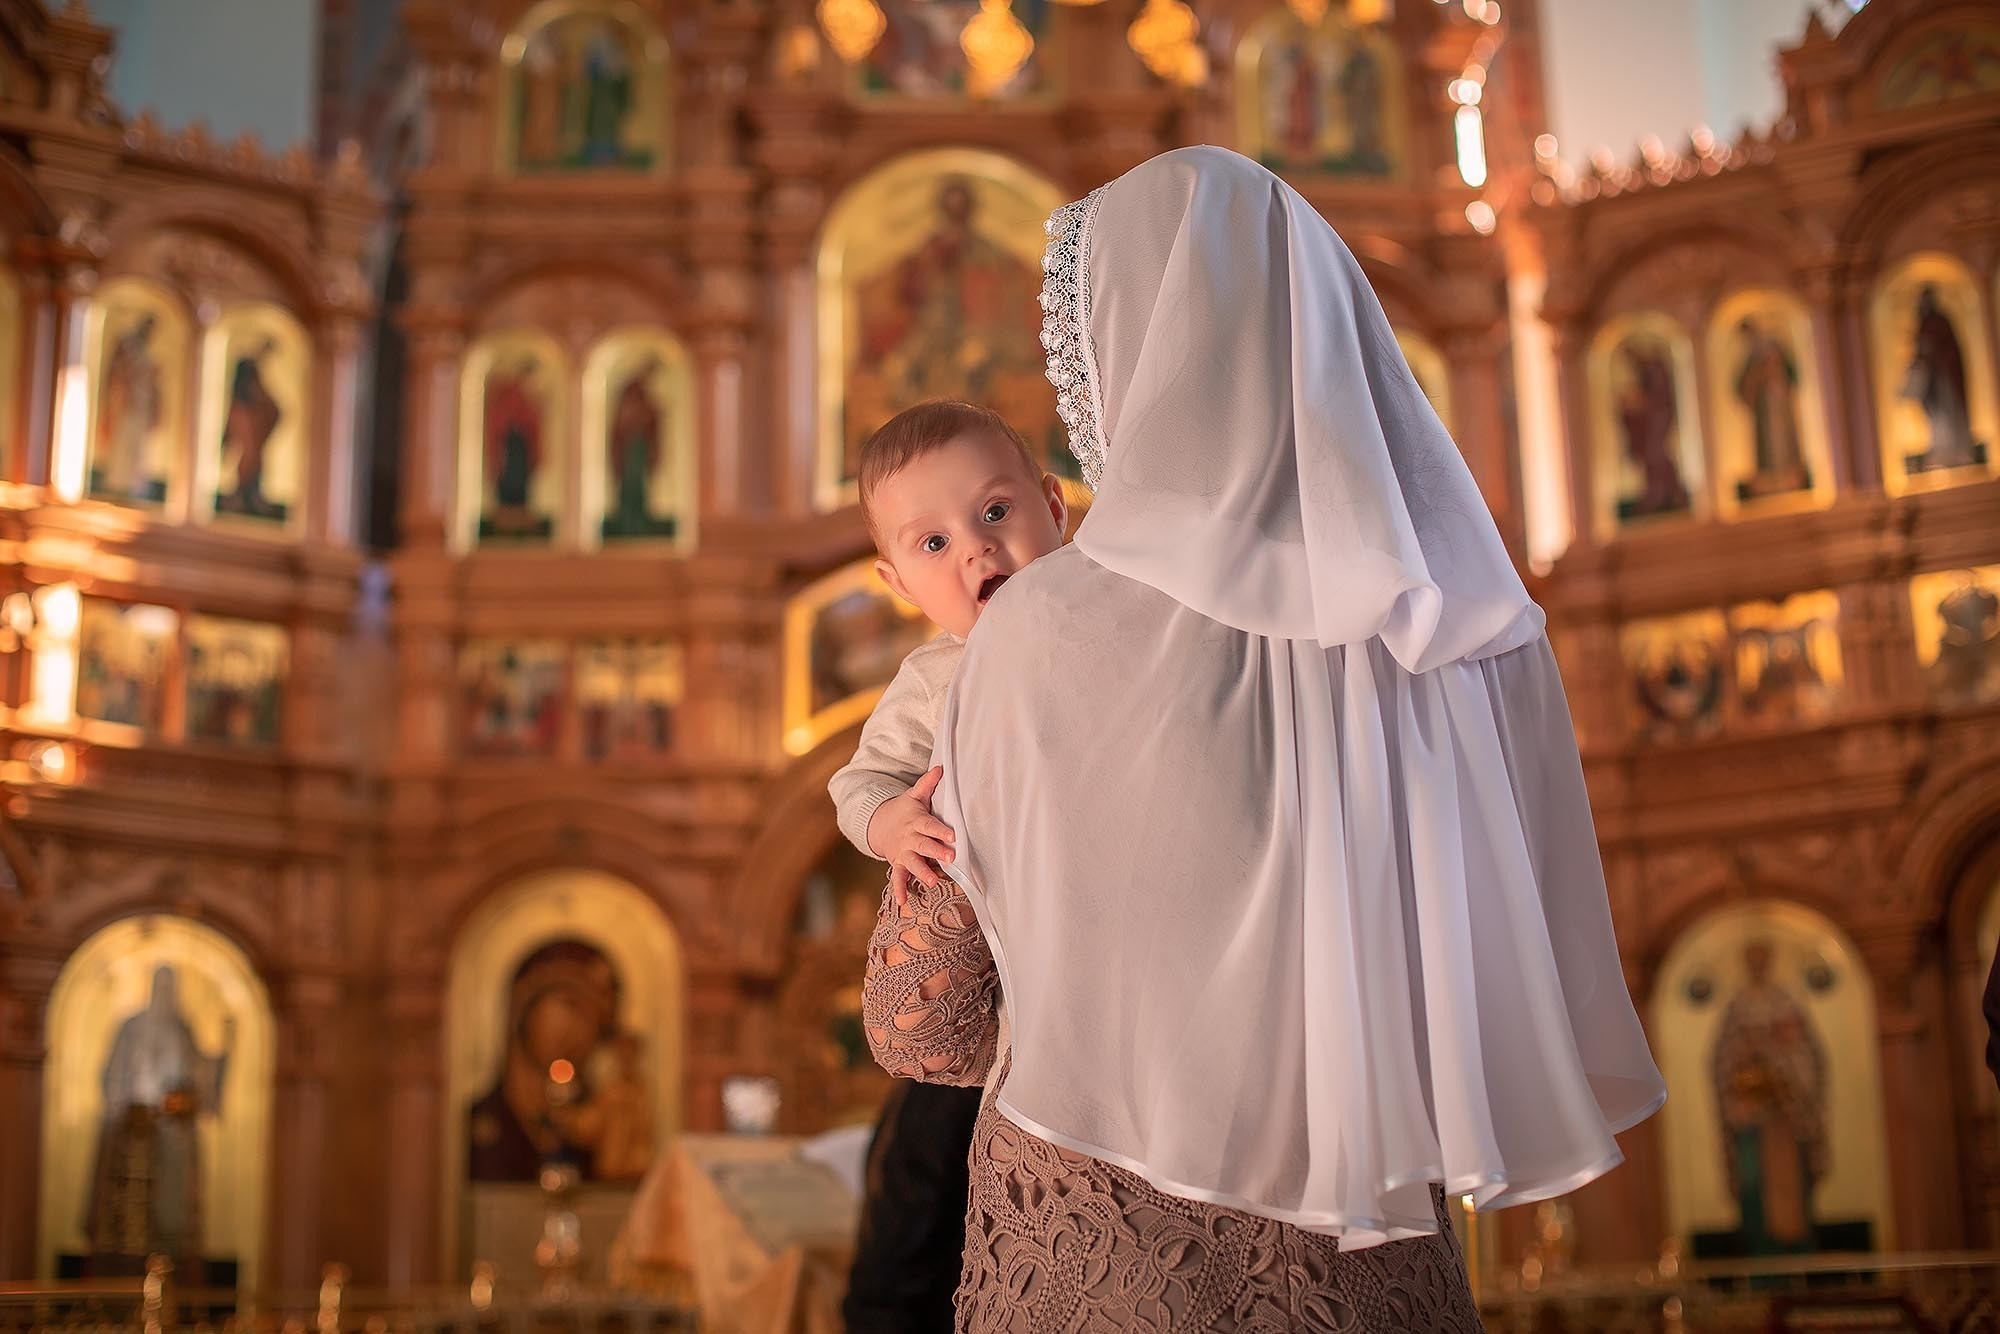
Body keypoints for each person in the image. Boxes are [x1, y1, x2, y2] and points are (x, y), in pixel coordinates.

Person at [862, 146, 1666, 1329]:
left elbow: (926, 1025)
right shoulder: (1428, 615)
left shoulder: (1034, 629)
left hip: (1104, 1246)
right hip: (1367, 1240)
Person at [828, 398, 1069, 1333]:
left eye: (997, 512)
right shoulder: (934, 679)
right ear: (896, 582)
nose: (977, 548)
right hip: (997, 949)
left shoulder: (1111, 626)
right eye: (934, 543)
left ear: (1055, 506)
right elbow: (861, 781)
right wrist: (892, 821)